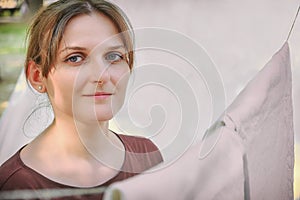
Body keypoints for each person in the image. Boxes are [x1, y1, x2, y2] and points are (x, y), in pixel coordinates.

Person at [0, 0, 163, 199]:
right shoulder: (17, 186)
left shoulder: (146, 157)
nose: (101, 76)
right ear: (37, 76)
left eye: (113, 56)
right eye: (75, 58)